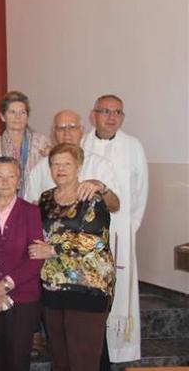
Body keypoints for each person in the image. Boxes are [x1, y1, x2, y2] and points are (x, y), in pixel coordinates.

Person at [28, 143, 116, 371]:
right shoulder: (45, 199)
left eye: (67, 163)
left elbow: (95, 240)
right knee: (61, 358)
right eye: (55, 164)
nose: (61, 168)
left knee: (83, 360)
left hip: (87, 288)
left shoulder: (92, 197)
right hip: (53, 288)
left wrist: (54, 249)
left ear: (78, 166)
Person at [81, 95, 147, 364]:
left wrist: (130, 227)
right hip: (86, 233)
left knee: (119, 292)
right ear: (93, 114)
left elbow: (140, 190)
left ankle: (119, 349)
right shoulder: (81, 143)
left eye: (117, 112)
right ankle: (89, 349)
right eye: (105, 111)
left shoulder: (133, 146)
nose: (111, 117)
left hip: (119, 230)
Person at [0, 157, 43, 371]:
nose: (5, 182)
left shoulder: (31, 212)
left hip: (23, 297)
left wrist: (5, 285)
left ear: (19, 180)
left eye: (11, 176)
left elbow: (36, 257)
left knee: (18, 360)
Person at [23, 110, 120, 210]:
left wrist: (102, 188)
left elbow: (115, 207)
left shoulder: (99, 164)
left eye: (73, 127)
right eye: (61, 128)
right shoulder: (42, 167)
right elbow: (28, 205)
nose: (67, 133)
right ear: (53, 132)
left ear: (82, 130)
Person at [0, 90, 50, 194]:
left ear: (27, 117)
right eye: (12, 112)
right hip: (3, 201)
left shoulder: (43, 143)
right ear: (2, 117)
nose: (18, 117)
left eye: (22, 112)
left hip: (36, 201)